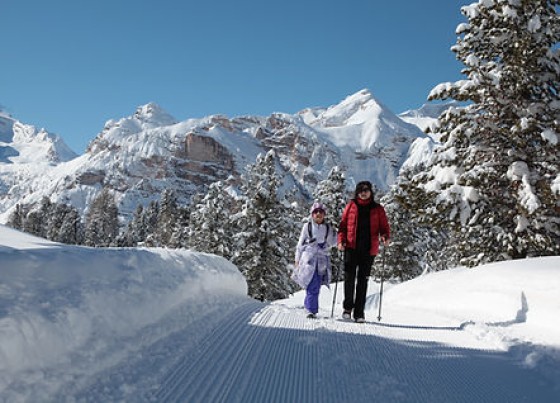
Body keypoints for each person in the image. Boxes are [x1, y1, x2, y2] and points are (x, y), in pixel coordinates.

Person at [337, 181, 390, 323]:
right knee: (349, 278)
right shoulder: (351, 205)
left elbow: (384, 227)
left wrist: (385, 236)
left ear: (371, 191)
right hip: (351, 247)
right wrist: (341, 240)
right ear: (357, 192)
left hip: (368, 250)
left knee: (362, 281)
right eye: (360, 190)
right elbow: (343, 225)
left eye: (366, 189)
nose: (363, 192)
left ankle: (359, 313)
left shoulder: (378, 209)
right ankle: (347, 308)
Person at [293, 202, 338, 318]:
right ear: (312, 214)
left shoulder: (327, 228)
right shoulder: (307, 227)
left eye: (321, 212)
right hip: (309, 259)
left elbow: (332, 242)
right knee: (311, 283)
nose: (318, 214)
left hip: (321, 260)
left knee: (316, 284)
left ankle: (309, 306)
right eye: (316, 212)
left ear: (324, 214)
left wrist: (340, 237)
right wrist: (297, 259)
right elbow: (300, 244)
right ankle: (310, 309)